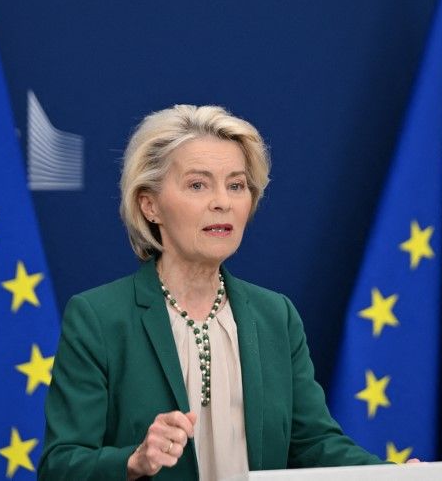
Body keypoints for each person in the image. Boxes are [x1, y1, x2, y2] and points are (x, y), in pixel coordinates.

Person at [38, 105, 387, 479]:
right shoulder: (99, 318)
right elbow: (60, 466)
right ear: (150, 205)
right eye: (198, 184)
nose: (222, 202)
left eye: (236, 185)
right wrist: (133, 461)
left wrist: (394, 475)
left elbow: (314, 443)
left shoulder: (276, 316)